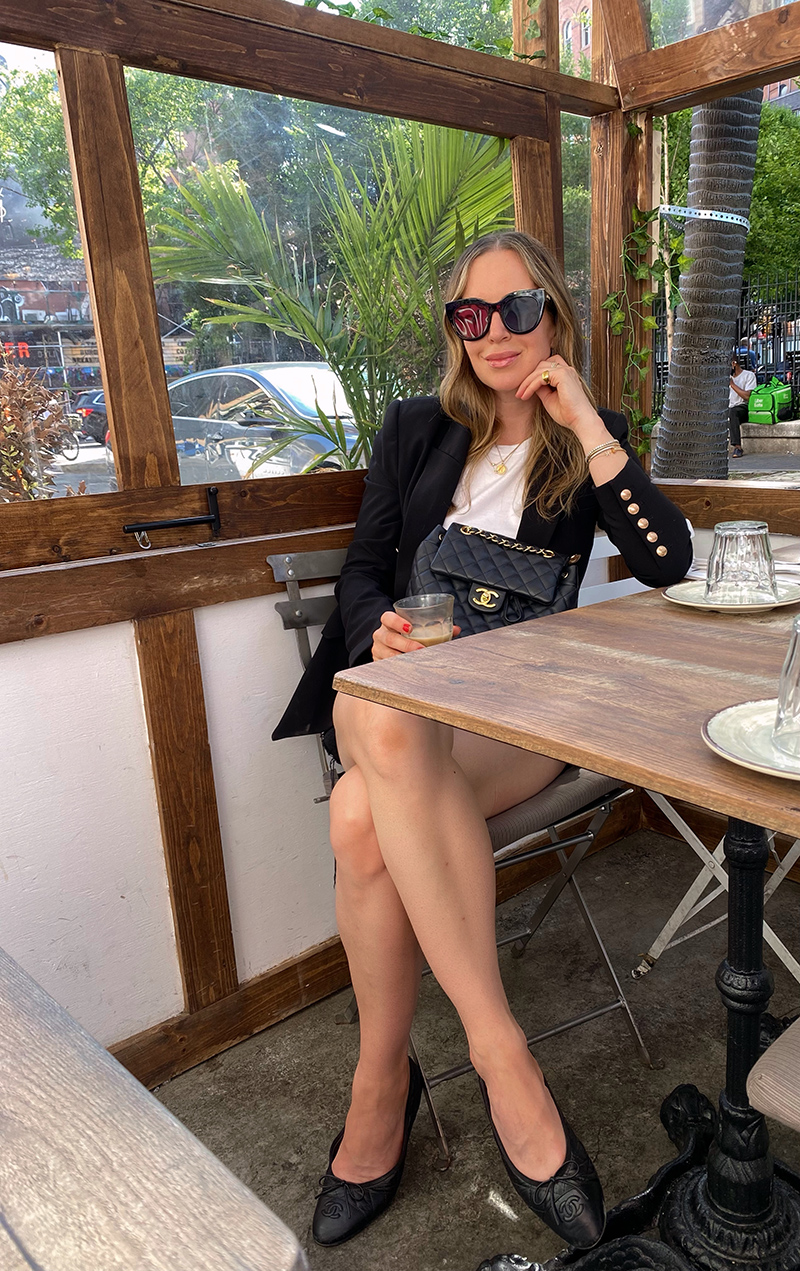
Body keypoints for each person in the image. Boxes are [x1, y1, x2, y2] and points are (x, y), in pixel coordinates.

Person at [273, 231, 693, 1251]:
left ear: (549, 312)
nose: (494, 332)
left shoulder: (581, 432)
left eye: (516, 309)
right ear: (453, 329)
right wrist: (380, 628)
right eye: (471, 314)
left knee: (358, 816)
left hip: (511, 716)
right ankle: (504, 1055)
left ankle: (381, 1084)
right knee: (381, 713)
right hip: (393, 687)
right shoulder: (417, 427)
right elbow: (366, 563)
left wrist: (584, 415)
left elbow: (665, 557)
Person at [729, 354, 756, 458]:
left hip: (742, 407)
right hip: (728, 407)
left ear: (733, 364)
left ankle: (737, 447)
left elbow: (747, 396)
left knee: (733, 412)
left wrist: (732, 384)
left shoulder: (748, 375)